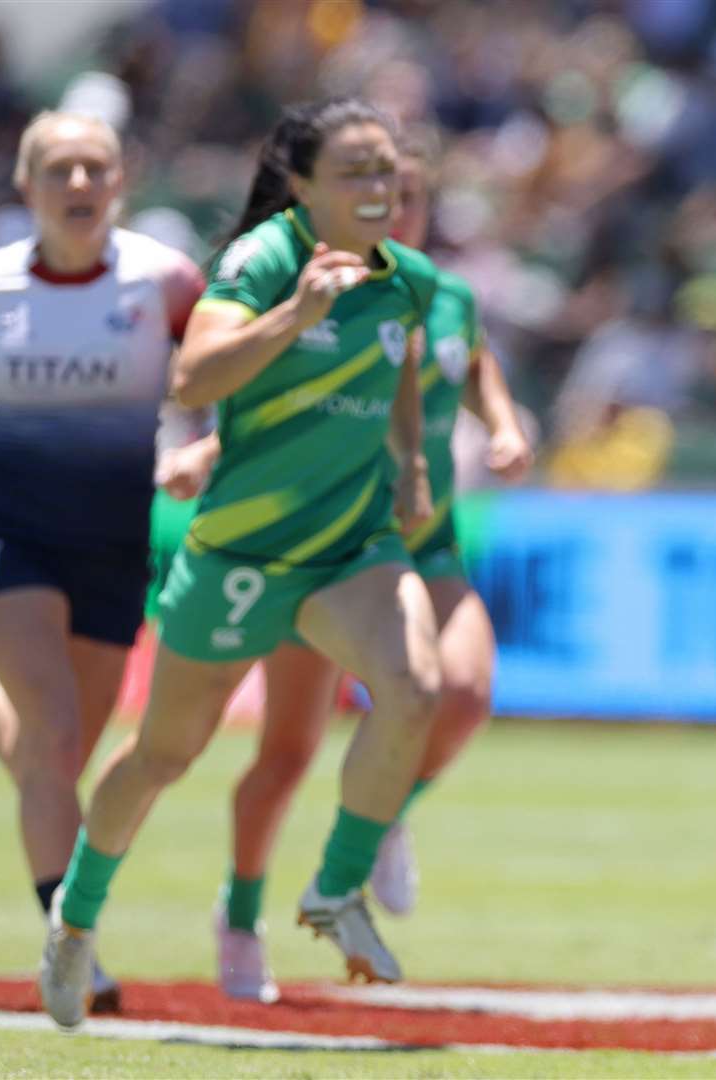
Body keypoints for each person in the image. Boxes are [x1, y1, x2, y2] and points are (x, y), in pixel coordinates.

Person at [36, 96, 444, 1031]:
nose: (379, 190)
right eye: (356, 173)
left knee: (414, 689)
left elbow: (401, 370)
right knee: (162, 756)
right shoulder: (262, 263)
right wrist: (296, 315)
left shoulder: (408, 278)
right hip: (243, 554)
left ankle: (336, 888)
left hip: (349, 548)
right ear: (300, 185)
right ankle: (75, 920)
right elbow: (194, 378)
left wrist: (412, 461)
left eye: (388, 171)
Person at [150, 125, 533, 1000]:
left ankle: (381, 819)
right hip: (324, 539)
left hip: (418, 540)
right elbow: (290, 411)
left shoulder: (436, 291)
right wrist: (205, 456)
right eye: (374, 186)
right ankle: (240, 912)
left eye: (406, 192)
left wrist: (504, 425)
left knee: (462, 694)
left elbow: (475, 367)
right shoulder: (315, 278)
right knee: (285, 753)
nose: (390, 205)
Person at [0, 111, 206, 1015]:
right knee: (57, 737)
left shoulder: (168, 281)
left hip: (116, 541)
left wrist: (206, 450)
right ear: (26, 186)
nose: (78, 185)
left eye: (95, 169)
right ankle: (72, 947)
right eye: (59, 170)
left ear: (121, 182)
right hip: (13, 535)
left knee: (55, 759)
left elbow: (228, 382)